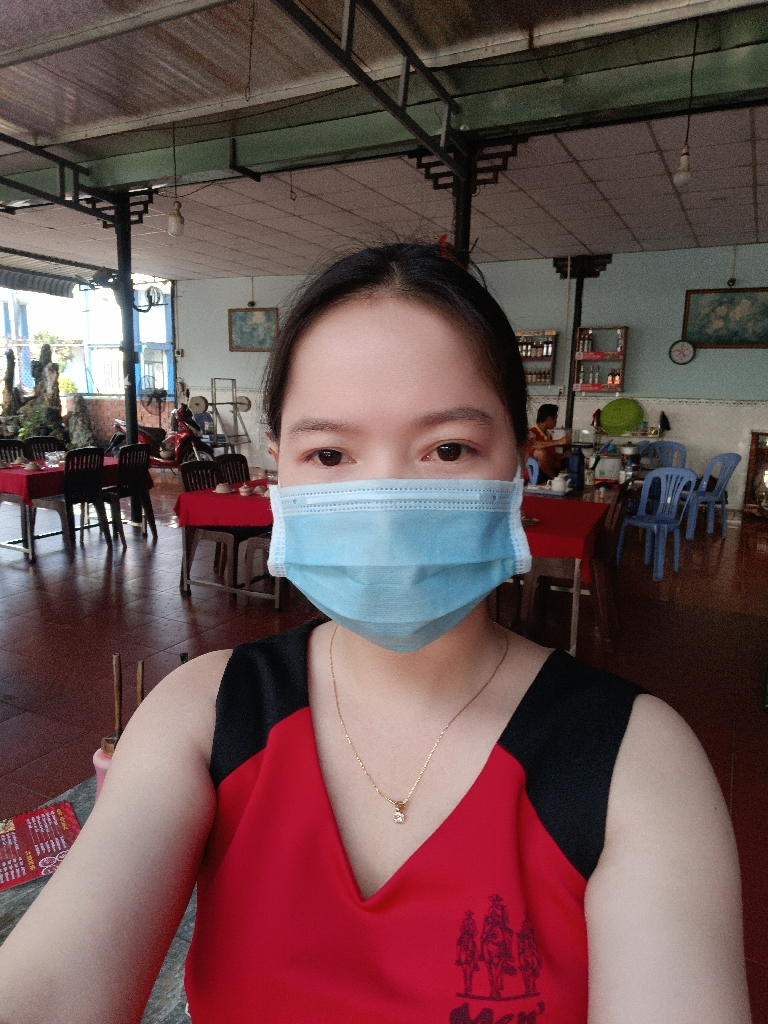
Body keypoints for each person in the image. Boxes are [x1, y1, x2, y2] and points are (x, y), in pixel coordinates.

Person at [0, 243, 750, 1024]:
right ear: (281, 472)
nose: (387, 504)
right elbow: (49, 988)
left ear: (517, 469)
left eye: (448, 448)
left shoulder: (636, 763)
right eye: (330, 453)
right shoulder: (203, 714)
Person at [528, 403, 571, 482]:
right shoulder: (531, 432)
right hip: (533, 475)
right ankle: (554, 478)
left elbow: (551, 457)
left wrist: (564, 455)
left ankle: (554, 478)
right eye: (555, 418)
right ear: (549, 419)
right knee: (540, 452)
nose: (556, 422)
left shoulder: (548, 436)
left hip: (547, 473)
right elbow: (534, 444)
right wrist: (558, 441)